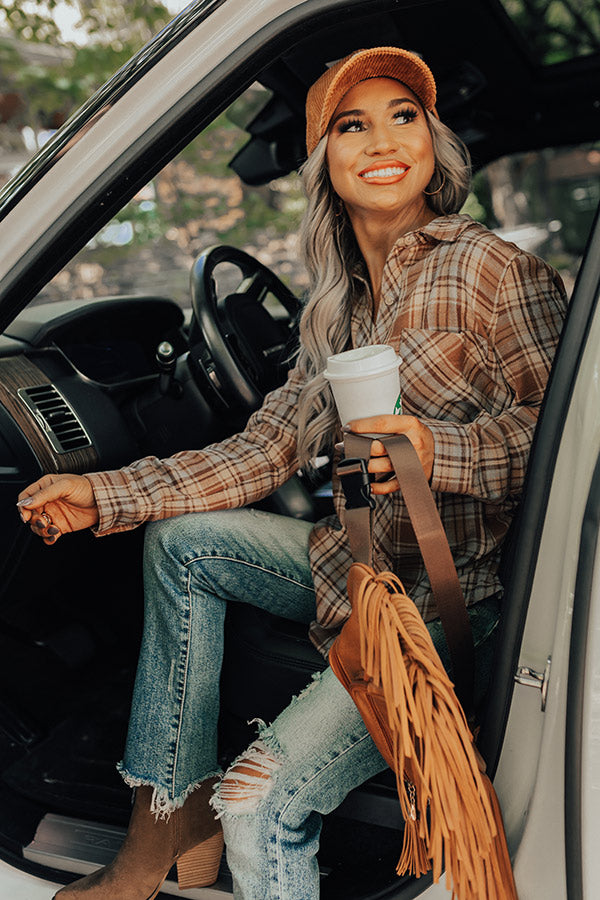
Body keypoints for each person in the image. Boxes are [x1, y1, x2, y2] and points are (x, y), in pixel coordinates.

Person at [17, 47, 566, 900]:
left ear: (432, 141)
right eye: (353, 125)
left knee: (261, 802)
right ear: (325, 162)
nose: (382, 139)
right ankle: (165, 823)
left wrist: (434, 450)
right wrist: (102, 493)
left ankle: (221, 813)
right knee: (182, 545)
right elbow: (264, 450)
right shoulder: (335, 307)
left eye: (403, 116)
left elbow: (561, 433)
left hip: (465, 609)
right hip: (368, 574)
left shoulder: (489, 268)